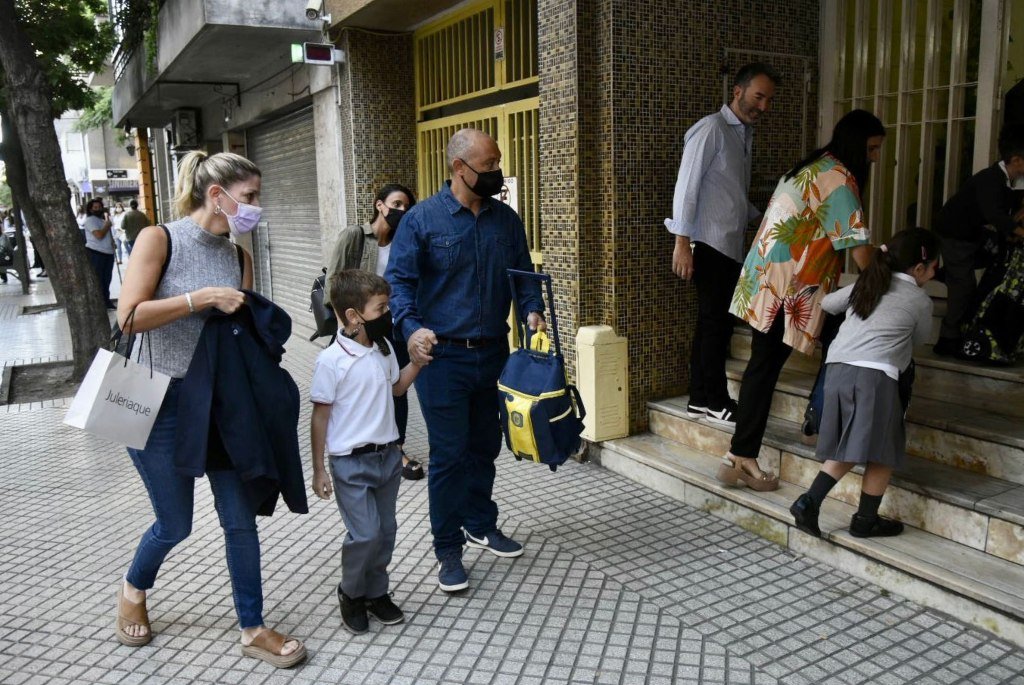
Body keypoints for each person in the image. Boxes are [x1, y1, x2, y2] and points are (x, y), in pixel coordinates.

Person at [113, 150, 306, 668]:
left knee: (240, 519)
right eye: (249, 196)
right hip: (158, 401)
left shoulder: (238, 256)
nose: (256, 206)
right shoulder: (160, 239)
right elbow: (128, 317)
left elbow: (238, 336)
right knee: (174, 523)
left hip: (221, 403)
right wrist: (199, 299)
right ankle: (133, 588)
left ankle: (253, 627)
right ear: (217, 195)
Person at [386, 128, 545, 593]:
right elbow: (400, 284)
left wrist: (531, 307)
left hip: (494, 353)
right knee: (449, 455)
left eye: (498, 162)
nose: (497, 171)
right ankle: (448, 548)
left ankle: (480, 523)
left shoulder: (505, 220)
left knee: (485, 447)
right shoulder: (421, 220)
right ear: (459, 168)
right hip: (443, 359)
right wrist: (412, 330)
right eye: (489, 165)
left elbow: (523, 275)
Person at [720, 109, 883, 491]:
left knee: (767, 364)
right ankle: (746, 454)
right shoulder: (838, 179)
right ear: (856, 145)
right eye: (872, 149)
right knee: (769, 366)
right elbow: (860, 252)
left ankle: (745, 451)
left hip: (766, 278)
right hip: (788, 287)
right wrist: (895, 277)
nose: (875, 158)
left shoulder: (810, 167)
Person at [790, 228, 939, 538]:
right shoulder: (920, 299)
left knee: (870, 445)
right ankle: (821, 505)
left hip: (837, 370)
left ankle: (853, 516)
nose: (935, 274)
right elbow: (920, 340)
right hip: (873, 376)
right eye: (934, 267)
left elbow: (828, 304)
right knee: (879, 450)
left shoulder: (868, 283)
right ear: (919, 268)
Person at [310, 269, 422, 634]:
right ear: (353, 316)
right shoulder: (331, 361)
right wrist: (319, 469)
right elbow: (320, 416)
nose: (388, 314)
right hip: (350, 462)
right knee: (366, 534)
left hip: (387, 457)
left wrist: (417, 363)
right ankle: (351, 593)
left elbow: (397, 389)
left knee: (385, 531)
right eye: (381, 308)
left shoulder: (383, 348)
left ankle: (376, 592)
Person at [666, 63, 779, 427]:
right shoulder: (711, 129)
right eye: (758, 97)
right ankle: (715, 399)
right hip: (709, 243)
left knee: (712, 324)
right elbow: (687, 187)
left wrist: (762, 217)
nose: (763, 106)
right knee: (716, 325)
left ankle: (700, 399)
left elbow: (730, 194)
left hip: (729, 245)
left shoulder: (742, 135)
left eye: (768, 100)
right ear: (737, 91)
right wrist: (682, 242)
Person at [326, 183, 424, 481]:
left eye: (406, 206)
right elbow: (333, 285)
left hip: (393, 324)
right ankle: (352, 445)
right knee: (356, 386)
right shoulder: (355, 236)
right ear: (379, 205)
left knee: (396, 387)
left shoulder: (404, 241)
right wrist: (348, 328)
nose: (402, 211)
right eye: (396, 204)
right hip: (358, 326)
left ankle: (397, 449)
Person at [932, 124, 1024, 356]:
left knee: (993, 257)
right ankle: (948, 339)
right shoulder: (991, 179)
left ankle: (946, 272)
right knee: (963, 287)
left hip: (973, 235)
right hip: (955, 233)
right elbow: (995, 215)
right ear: (1016, 160)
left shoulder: (1009, 180)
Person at [83, 198, 117, 308]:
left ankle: (106, 301)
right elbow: (99, 235)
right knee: (99, 280)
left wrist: (112, 243)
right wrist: (107, 226)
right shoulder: (90, 220)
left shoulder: (102, 221)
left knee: (106, 279)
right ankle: (100, 303)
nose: (98, 209)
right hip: (97, 253)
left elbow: (106, 236)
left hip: (108, 253)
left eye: (100, 207)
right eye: (95, 207)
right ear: (90, 209)